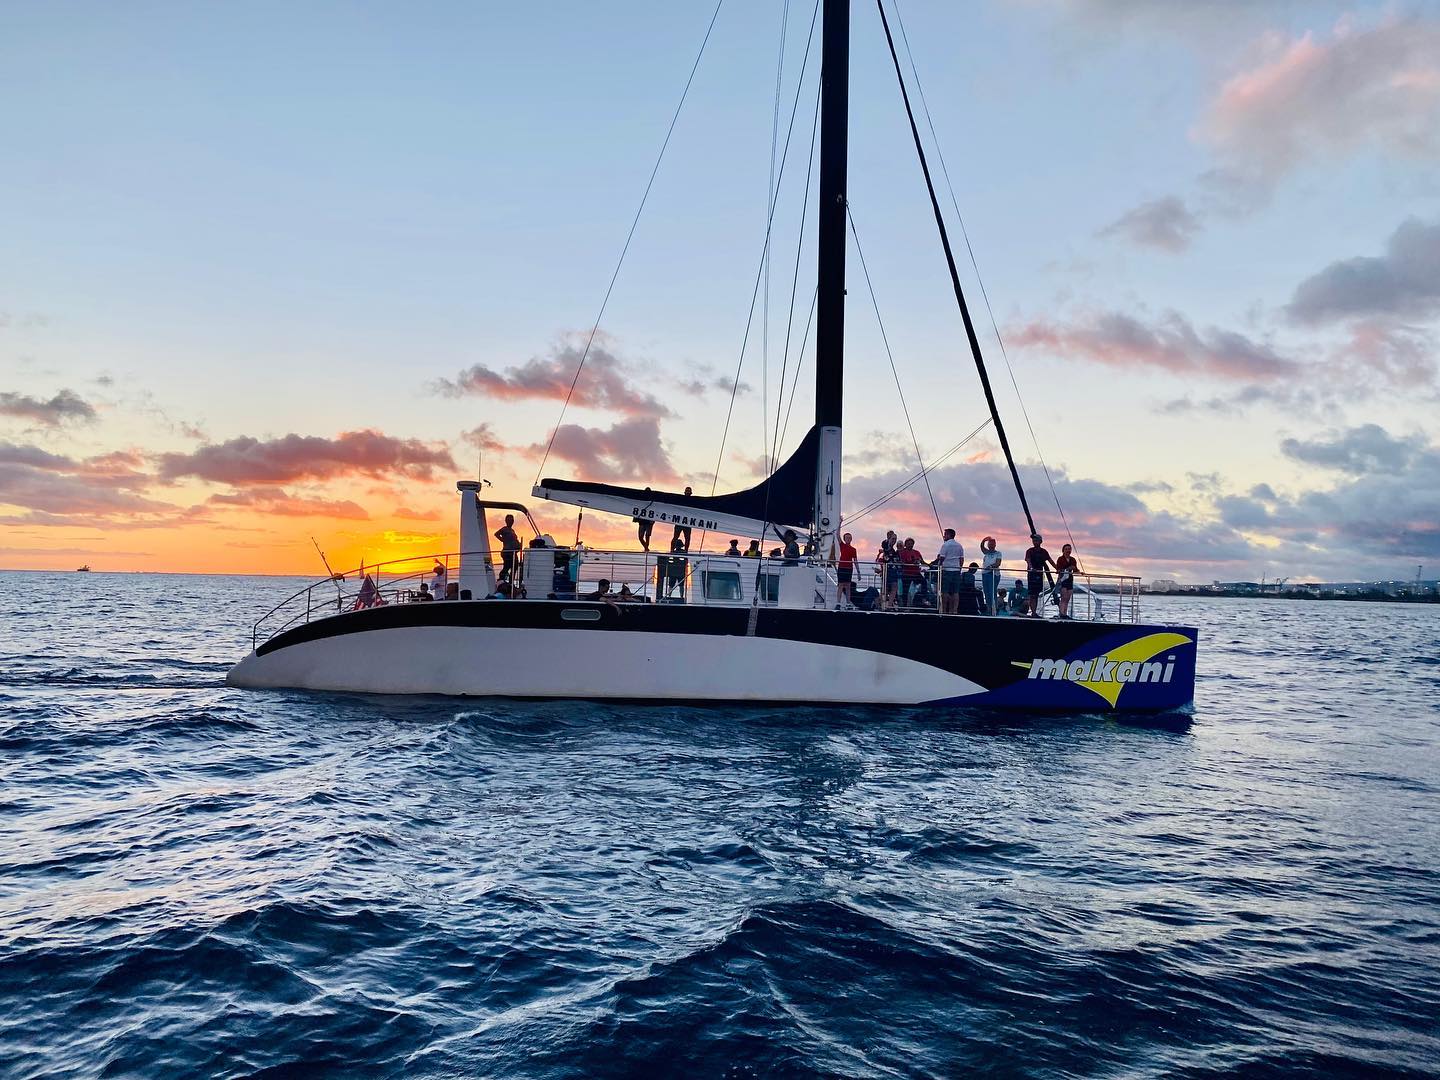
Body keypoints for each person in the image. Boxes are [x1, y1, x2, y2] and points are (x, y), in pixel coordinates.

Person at [933, 528, 964, 614]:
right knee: (955, 592)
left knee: (945, 591)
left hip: (947, 570)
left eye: (945, 534)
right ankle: (954, 610)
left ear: (949, 535)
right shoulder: (959, 545)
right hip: (956, 570)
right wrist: (959, 568)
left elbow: (942, 557)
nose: (944, 536)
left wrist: (939, 563)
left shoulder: (945, 545)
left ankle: (944, 609)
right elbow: (961, 559)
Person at [1025, 534, 1056, 616]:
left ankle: (1034, 612)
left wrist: (1058, 569)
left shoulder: (1044, 552)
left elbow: (1051, 561)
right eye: (1033, 540)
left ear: (1040, 541)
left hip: (1039, 574)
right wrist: (1031, 568)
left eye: (1036, 540)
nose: (1034, 542)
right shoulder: (1029, 551)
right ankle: (1033, 612)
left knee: (1037, 593)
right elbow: (1028, 560)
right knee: (1032, 594)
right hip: (1032, 574)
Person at [897, 538, 926, 607]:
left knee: (924, 582)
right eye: (908, 544)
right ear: (906, 544)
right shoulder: (902, 552)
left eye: (911, 543)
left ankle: (923, 598)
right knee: (905, 590)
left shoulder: (917, 552)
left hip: (915, 573)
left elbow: (922, 561)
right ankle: (904, 606)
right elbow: (902, 562)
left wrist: (929, 565)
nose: (910, 545)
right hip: (907, 573)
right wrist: (912, 562)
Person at [1055, 542, 1081, 619]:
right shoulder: (1060, 559)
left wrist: (1077, 570)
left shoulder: (1073, 559)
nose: (1068, 550)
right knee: (1063, 598)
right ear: (1063, 550)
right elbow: (1058, 570)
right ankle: (1062, 614)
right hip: (1062, 579)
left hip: (1070, 579)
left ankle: (1064, 614)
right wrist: (1068, 568)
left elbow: (1075, 569)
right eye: (1066, 549)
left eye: (1069, 549)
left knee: (1067, 598)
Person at [494, 513, 521, 583]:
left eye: (512, 520)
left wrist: (518, 545)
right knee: (507, 566)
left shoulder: (512, 530)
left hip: (513, 552)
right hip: (507, 551)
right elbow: (496, 534)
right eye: (509, 520)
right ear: (506, 521)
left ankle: (511, 582)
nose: (511, 522)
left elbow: (514, 540)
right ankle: (501, 579)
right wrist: (502, 539)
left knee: (515, 567)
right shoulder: (504, 529)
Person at [876, 530, 900, 610]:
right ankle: (879, 604)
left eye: (895, 539)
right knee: (885, 589)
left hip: (892, 571)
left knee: (894, 587)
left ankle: (889, 605)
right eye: (893, 538)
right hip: (887, 571)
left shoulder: (893, 551)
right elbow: (884, 547)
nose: (894, 540)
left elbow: (896, 559)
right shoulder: (885, 545)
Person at [980, 537, 1003, 615]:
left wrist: (990, 567)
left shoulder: (998, 553)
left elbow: (998, 563)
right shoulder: (986, 552)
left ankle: (994, 608)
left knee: (992, 591)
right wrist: (983, 540)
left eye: (992, 543)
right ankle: (988, 609)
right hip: (985, 574)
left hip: (993, 574)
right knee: (986, 592)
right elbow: (982, 547)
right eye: (989, 543)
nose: (990, 544)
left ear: (995, 544)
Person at [837, 531, 858, 607]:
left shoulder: (853, 549)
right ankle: (838, 603)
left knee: (848, 586)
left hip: (849, 568)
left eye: (849, 538)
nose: (848, 539)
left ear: (851, 539)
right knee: (841, 585)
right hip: (842, 567)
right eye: (847, 538)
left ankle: (848, 603)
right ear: (844, 539)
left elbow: (855, 561)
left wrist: (858, 572)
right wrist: (840, 523)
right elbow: (837, 535)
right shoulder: (842, 545)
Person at [672, 486, 694, 551]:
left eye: (689, 491)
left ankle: (686, 551)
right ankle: (671, 550)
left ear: (691, 493)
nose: (687, 492)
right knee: (675, 537)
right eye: (686, 491)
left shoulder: (694, 501)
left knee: (687, 538)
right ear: (684, 492)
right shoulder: (679, 499)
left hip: (688, 522)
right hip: (679, 522)